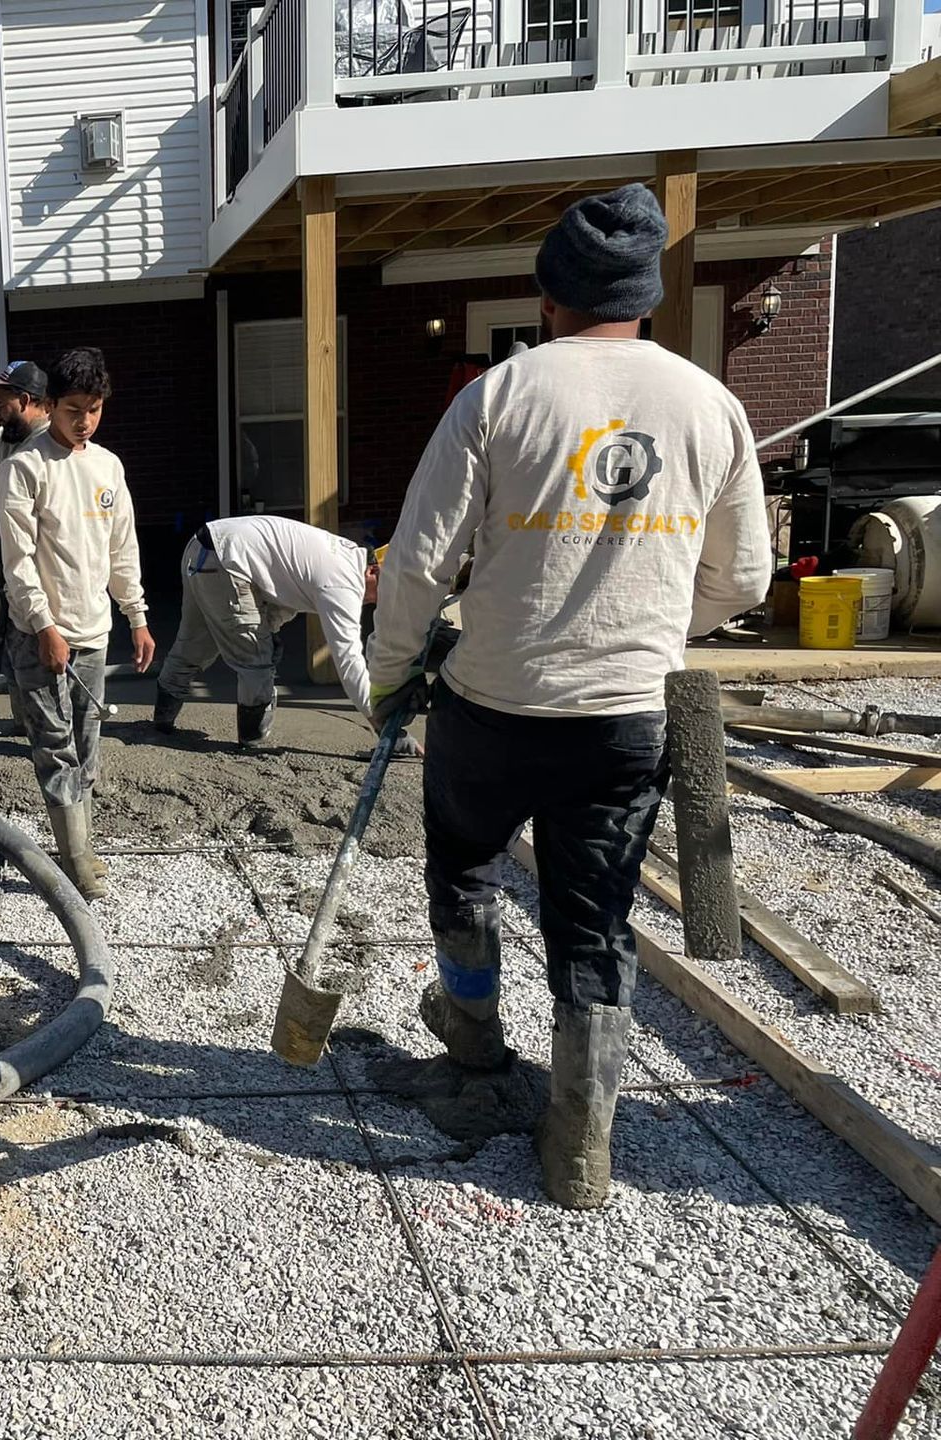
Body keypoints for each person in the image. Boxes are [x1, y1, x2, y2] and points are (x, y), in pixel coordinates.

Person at [367, 185, 771, 1210]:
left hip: (493, 706)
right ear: (646, 293)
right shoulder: (709, 404)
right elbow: (748, 580)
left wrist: (391, 672)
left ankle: (476, 1060)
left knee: (462, 878)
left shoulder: (499, 398)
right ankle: (581, 1148)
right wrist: (653, 628)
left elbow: (418, 564)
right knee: (593, 926)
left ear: (548, 293)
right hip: (624, 718)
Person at [0, 346, 152, 900]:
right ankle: (76, 856)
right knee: (54, 742)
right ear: (48, 405)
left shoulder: (107, 466)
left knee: (88, 741)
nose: (84, 420)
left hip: (93, 627)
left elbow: (121, 547)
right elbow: (18, 560)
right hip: (39, 632)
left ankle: (81, 842)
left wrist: (136, 615)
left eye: (94, 408)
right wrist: (42, 625)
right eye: (72, 409)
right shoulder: (23, 469)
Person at [153, 517, 381, 748]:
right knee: (256, 659)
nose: (375, 601)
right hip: (227, 559)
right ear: (372, 570)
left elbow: (286, 597)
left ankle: (160, 725)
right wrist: (380, 722)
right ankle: (251, 744)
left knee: (194, 645)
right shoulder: (344, 584)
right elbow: (349, 659)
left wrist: (268, 629)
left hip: (203, 546)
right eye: (381, 591)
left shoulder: (345, 554)